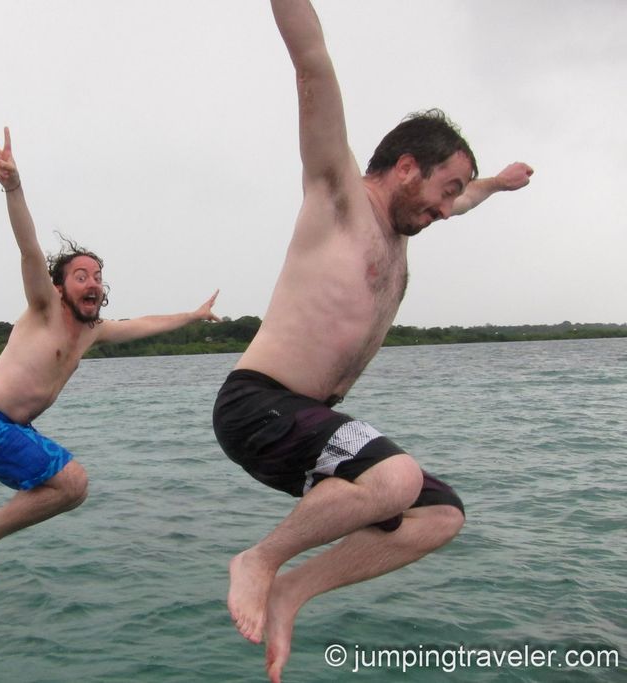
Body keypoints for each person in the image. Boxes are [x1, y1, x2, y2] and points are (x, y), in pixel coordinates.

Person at [210, 2, 534, 680]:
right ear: (408, 165)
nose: (448, 208)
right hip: (257, 403)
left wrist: (494, 185)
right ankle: (259, 560)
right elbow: (311, 62)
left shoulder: (406, 227)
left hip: (307, 424)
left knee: (439, 514)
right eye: (445, 190)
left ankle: (293, 590)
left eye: (456, 198)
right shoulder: (338, 193)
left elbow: (465, 199)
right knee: (396, 476)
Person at [0, 127, 220, 591]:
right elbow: (29, 247)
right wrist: (13, 187)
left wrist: (194, 316)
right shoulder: (43, 308)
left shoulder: (92, 332)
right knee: (72, 483)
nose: (92, 282)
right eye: (80, 275)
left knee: (67, 491)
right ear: (60, 286)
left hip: (13, 427)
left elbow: (145, 324)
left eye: (97, 275)